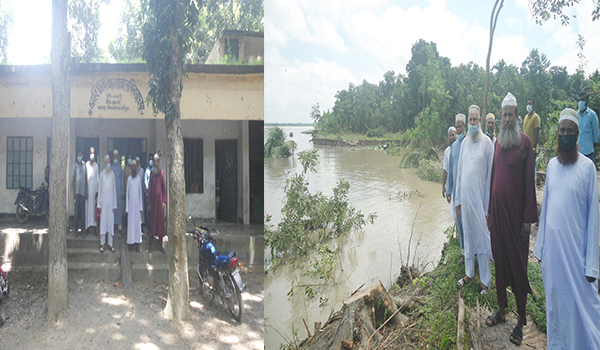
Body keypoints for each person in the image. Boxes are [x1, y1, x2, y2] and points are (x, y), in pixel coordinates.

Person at [534, 108, 600, 349]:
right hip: (553, 257)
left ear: (577, 134)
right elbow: (548, 207)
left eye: (569, 131)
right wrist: (539, 248)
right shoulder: (551, 165)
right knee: (557, 308)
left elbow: (593, 218)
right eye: (561, 131)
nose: (564, 135)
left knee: (583, 310)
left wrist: (592, 265)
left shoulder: (587, 168)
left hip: (576, 258)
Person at [485, 92, 538, 346]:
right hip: (497, 216)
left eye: (510, 115)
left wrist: (528, 218)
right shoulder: (497, 143)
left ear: (517, 116)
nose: (506, 119)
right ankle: (502, 310)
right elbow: (494, 177)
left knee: (518, 268)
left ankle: (519, 322)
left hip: (517, 220)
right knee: (501, 265)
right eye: (503, 114)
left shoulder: (525, 143)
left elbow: (530, 182)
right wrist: (488, 210)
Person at [455, 105, 494, 294]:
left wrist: (488, 207)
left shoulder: (487, 143)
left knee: (483, 239)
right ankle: (469, 274)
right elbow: (460, 173)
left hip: (481, 202)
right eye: (469, 120)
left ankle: (486, 281)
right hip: (465, 201)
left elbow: (490, 178)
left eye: (474, 120)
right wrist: (457, 201)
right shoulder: (464, 144)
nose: (472, 123)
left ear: (480, 121)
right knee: (469, 235)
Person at [446, 114, 466, 249]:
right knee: (459, 221)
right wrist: (448, 189)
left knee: (469, 221)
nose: (458, 129)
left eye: (460, 126)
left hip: (468, 190)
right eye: (457, 126)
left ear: (465, 127)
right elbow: (451, 171)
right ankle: (464, 251)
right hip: (456, 192)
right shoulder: (453, 148)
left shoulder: (469, 143)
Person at [97, 155, 118, 253]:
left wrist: (114, 205)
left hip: (110, 204)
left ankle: (111, 245)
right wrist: (99, 205)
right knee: (103, 224)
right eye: (107, 162)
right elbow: (100, 190)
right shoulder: (101, 174)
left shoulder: (112, 174)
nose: (109, 164)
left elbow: (114, 190)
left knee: (110, 224)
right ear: (105, 163)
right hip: (103, 204)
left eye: (110, 162)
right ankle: (102, 244)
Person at [147, 153, 167, 254]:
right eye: (154, 161)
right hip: (153, 205)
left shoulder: (162, 173)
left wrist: (164, 201)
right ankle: (150, 245)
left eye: (156, 161)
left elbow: (164, 188)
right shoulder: (151, 174)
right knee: (152, 223)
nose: (155, 163)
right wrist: (149, 202)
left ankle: (161, 245)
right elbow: (149, 189)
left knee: (160, 224)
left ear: (158, 162)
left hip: (160, 205)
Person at [126, 159, 143, 252]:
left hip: (137, 207)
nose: (133, 168)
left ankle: (137, 244)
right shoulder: (129, 179)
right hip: (130, 207)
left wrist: (140, 207)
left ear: (136, 168)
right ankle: (130, 244)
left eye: (134, 167)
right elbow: (127, 194)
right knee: (131, 226)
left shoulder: (139, 179)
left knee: (137, 225)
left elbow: (140, 194)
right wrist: (127, 208)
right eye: (132, 167)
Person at [577, 91, 599, 163]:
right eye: (579, 100)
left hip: (588, 151)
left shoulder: (592, 115)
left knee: (588, 172)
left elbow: (596, 132)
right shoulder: (576, 116)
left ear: (587, 102)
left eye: (583, 100)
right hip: (577, 151)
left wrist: (593, 146)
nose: (580, 102)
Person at [72, 150, 87, 238]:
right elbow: (73, 180)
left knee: (82, 212)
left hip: (82, 192)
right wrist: (73, 192)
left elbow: (86, 179)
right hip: (77, 192)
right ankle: (75, 231)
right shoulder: (75, 166)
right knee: (76, 212)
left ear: (82, 156)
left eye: (80, 155)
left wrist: (86, 191)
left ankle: (83, 231)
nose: (79, 157)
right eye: (78, 155)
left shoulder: (85, 166)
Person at [85, 147, 99, 236]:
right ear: (89, 154)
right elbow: (85, 178)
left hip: (94, 191)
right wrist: (86, 190)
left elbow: (98, 179)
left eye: (93, 152)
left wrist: (97, 194)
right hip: (88, 190)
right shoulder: (86, 165)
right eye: (91, 152)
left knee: (94, 209)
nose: (92, 154)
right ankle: (87, 227)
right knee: (87, 209)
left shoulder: (96, 165)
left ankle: (94, 228)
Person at [523, 98, 541, 170]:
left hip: (532, 148)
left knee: (531, 169)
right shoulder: (525, 117)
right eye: (527, 104)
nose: (528, 105)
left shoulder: (536, 117)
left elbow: (537, 133)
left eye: (530, 104)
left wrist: (534, 148)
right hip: (525, 148)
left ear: (533, 106)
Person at [110, 149, 124, 233]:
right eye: (114, 156)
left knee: (118, 206)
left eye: (116, 156)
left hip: (118, 190)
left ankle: (119, 223)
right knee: (112, 207)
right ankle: (113, 223)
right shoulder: (110, 167)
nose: (115, 158)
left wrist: (122, 192)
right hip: (111, 190)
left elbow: (122, 180)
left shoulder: (120, 167)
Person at [442, 126, 457, 198]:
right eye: (450, 135)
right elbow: (446, 169)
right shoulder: (447, 151)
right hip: (451, 184)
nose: (452, 137)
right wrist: (443, 186)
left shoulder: (461, 148)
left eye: (453, 135)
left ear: (456, 135)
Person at [144, 153, 154, 231]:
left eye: (152, 159)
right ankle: (148, 228)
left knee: (153, 211)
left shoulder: (155, 170)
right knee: (148, 212)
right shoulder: (147, 170)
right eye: (150, 159)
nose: (151, 161)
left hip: (155, 195)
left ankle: (154, 228)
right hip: (148, 194)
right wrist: (149, 189)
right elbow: (145, 182)